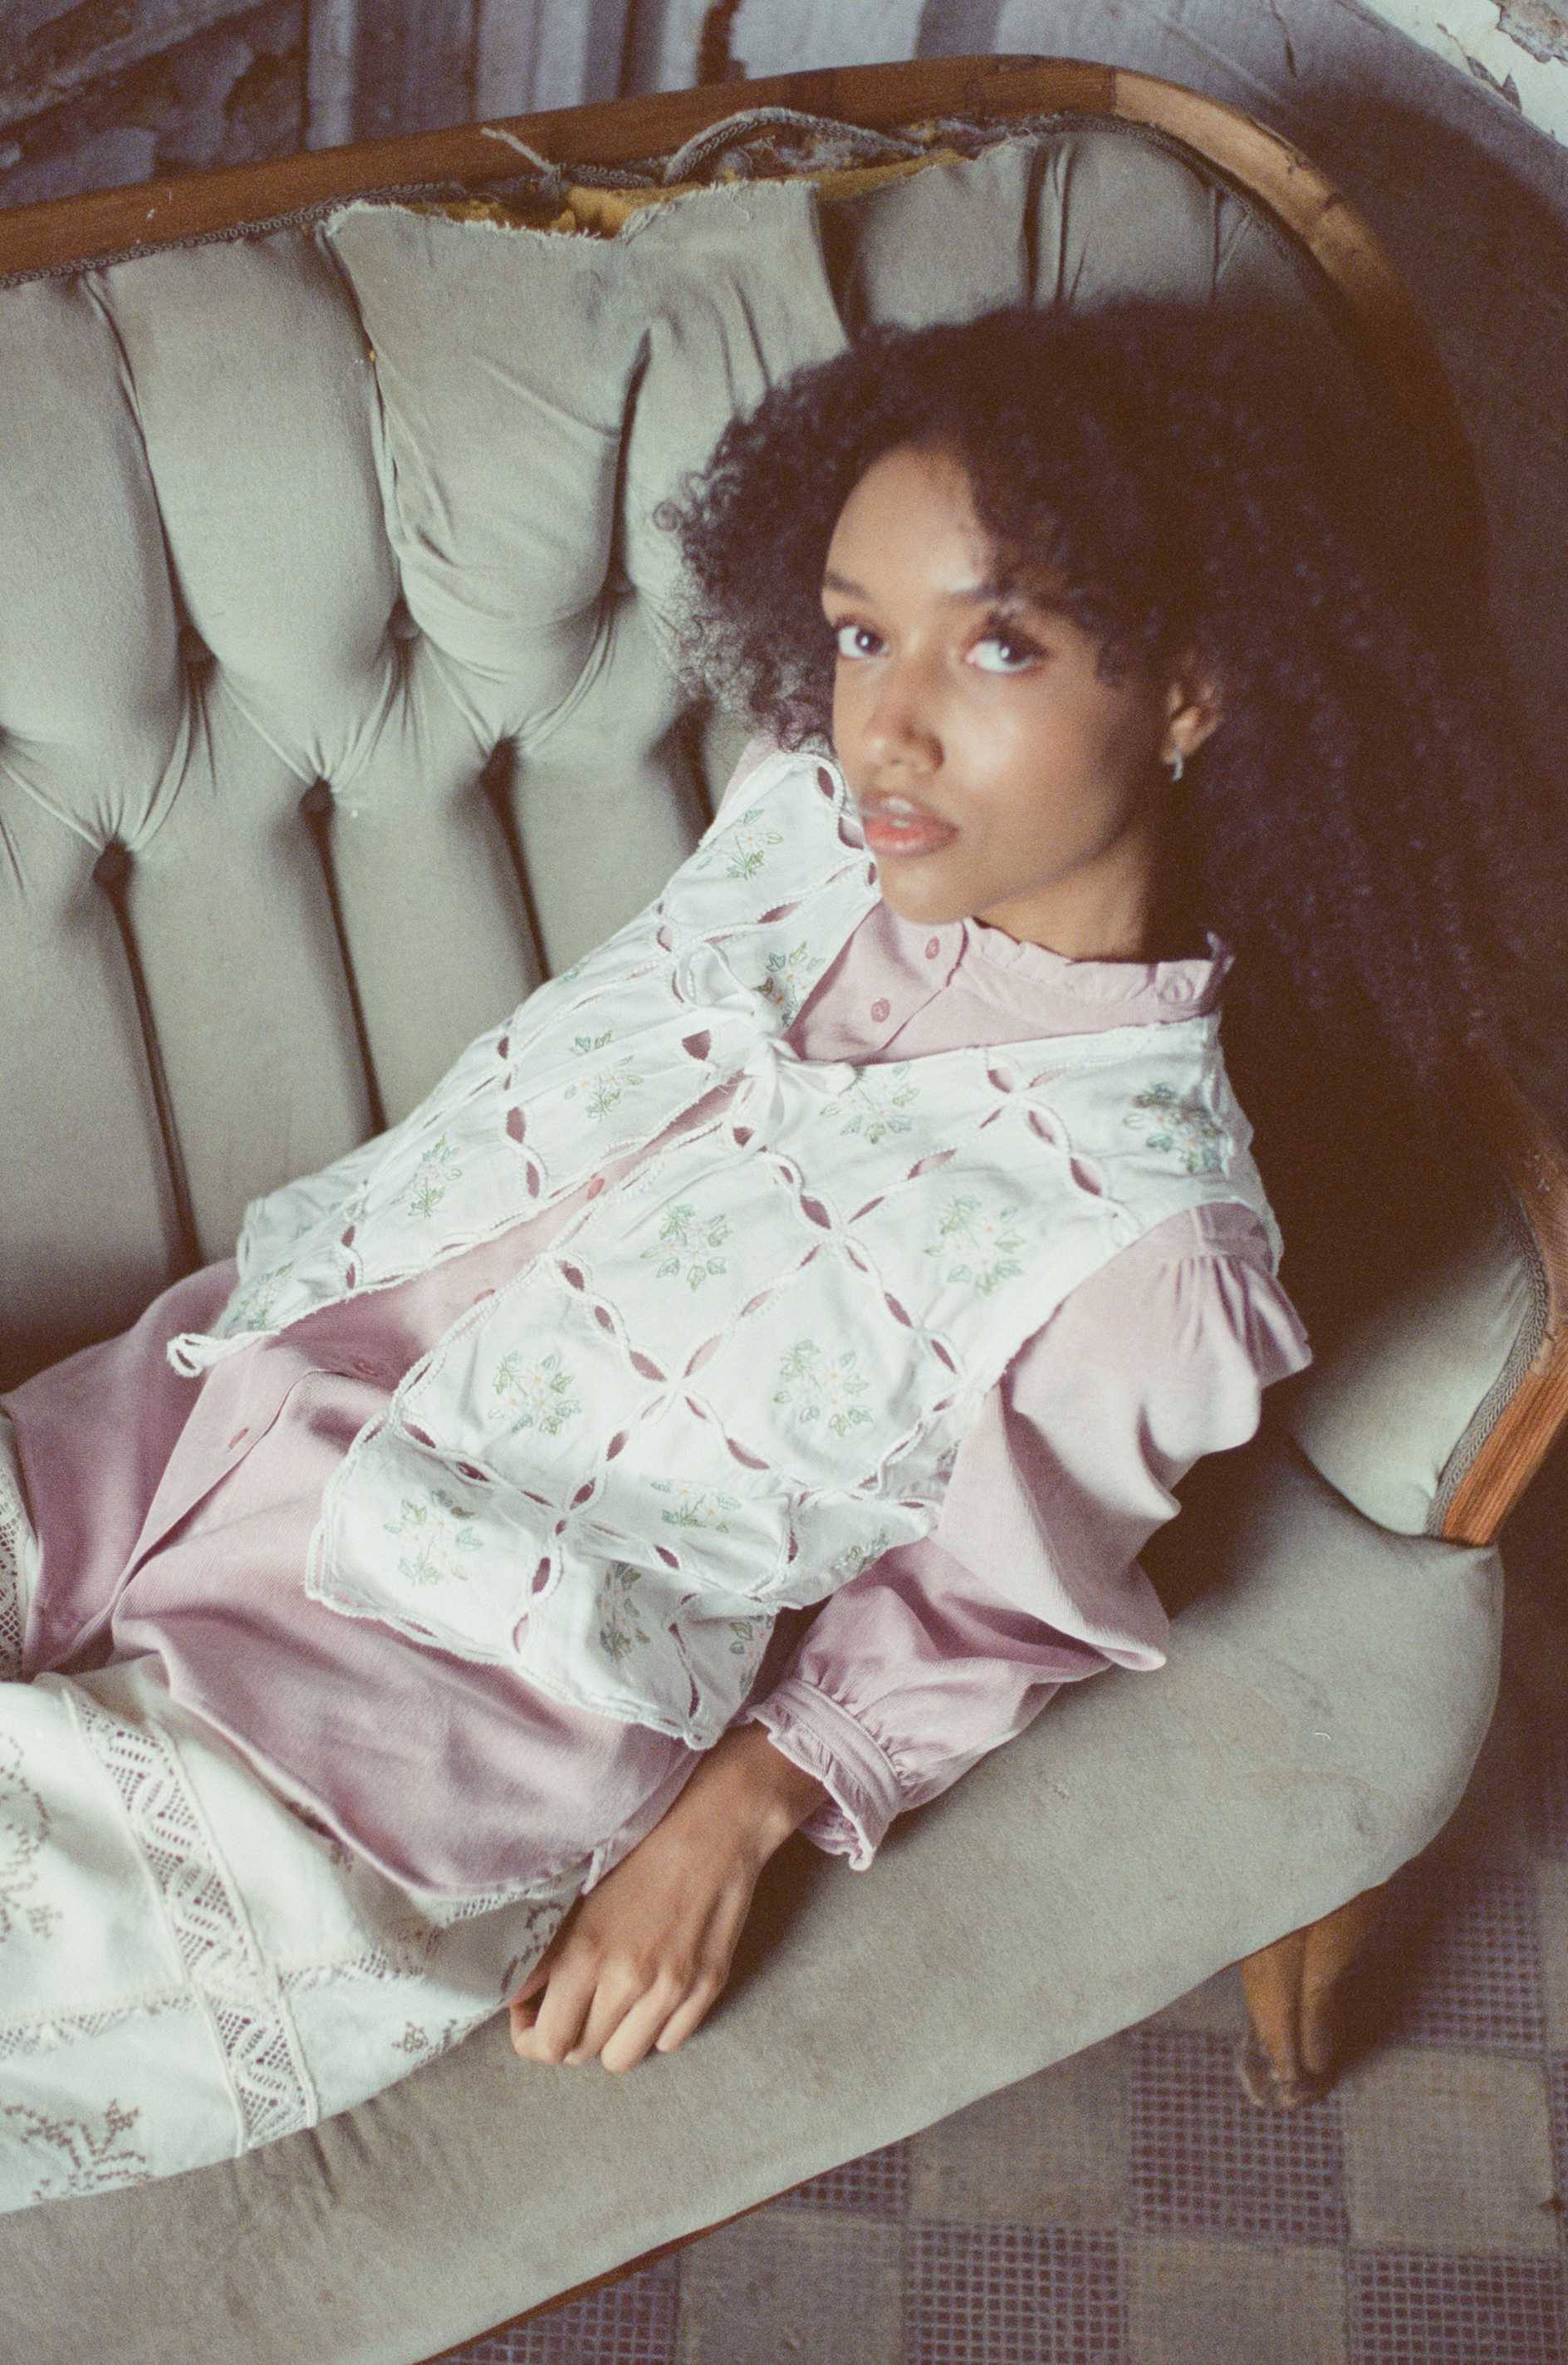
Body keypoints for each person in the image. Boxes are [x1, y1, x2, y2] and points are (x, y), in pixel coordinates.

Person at [0, 302, 1553, 2208]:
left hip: (391, 1751)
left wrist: (724, 1826)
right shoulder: (792, 823)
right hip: (159, 1426)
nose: (882, 723)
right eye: (854, 629)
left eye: (997, 642)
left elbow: (993, 1599)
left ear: (1188, 688)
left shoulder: (1150, 1250)